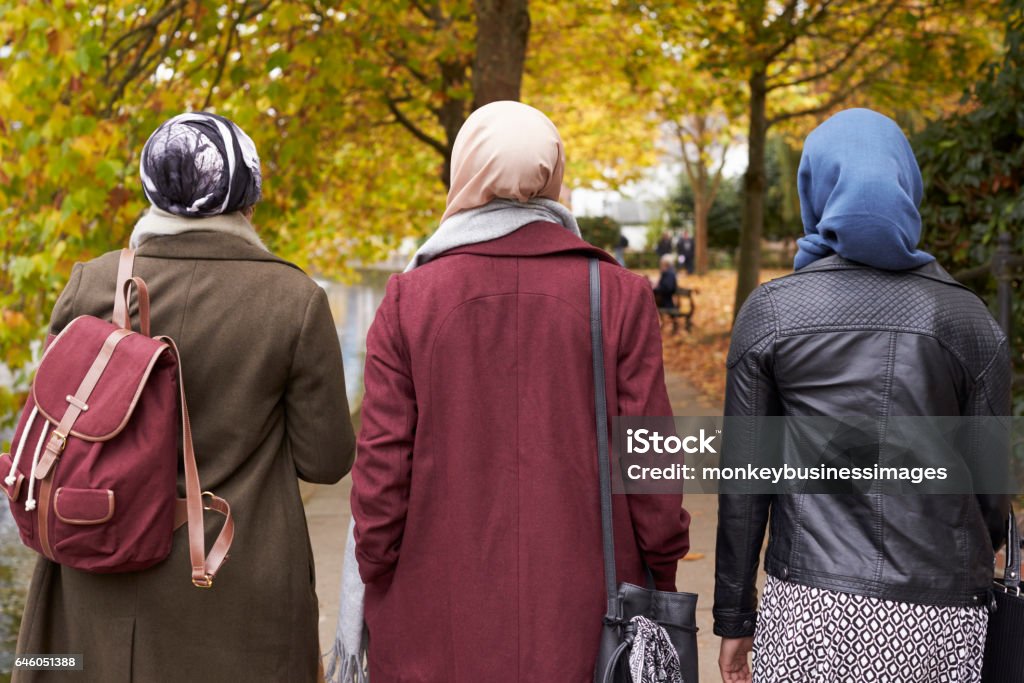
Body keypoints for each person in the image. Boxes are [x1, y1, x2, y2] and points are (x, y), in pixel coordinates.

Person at [350, 101, 690, 682]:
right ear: (553, 174)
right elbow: (651, 463)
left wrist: (377, 564)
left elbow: (381, 470)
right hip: (586, 617)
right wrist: (662, 562)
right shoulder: (620, 294)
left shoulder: (410, 298)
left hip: (437, 617)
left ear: (464, 173)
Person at [14, 112, 356, 682]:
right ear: (247, 194)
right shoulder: (293, 299)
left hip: (96, 576)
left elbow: (50, 428)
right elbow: (326, 459)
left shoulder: (92, 282)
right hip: (234, 592)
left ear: (151, 188)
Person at [714, 108, 1010, 683]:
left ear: (815, 189)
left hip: (809, 614)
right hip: (942, 616)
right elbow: (991, 495)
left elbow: (744, 488)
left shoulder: (771, 313)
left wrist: (734, 616)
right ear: (906, 184)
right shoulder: (969, 320)